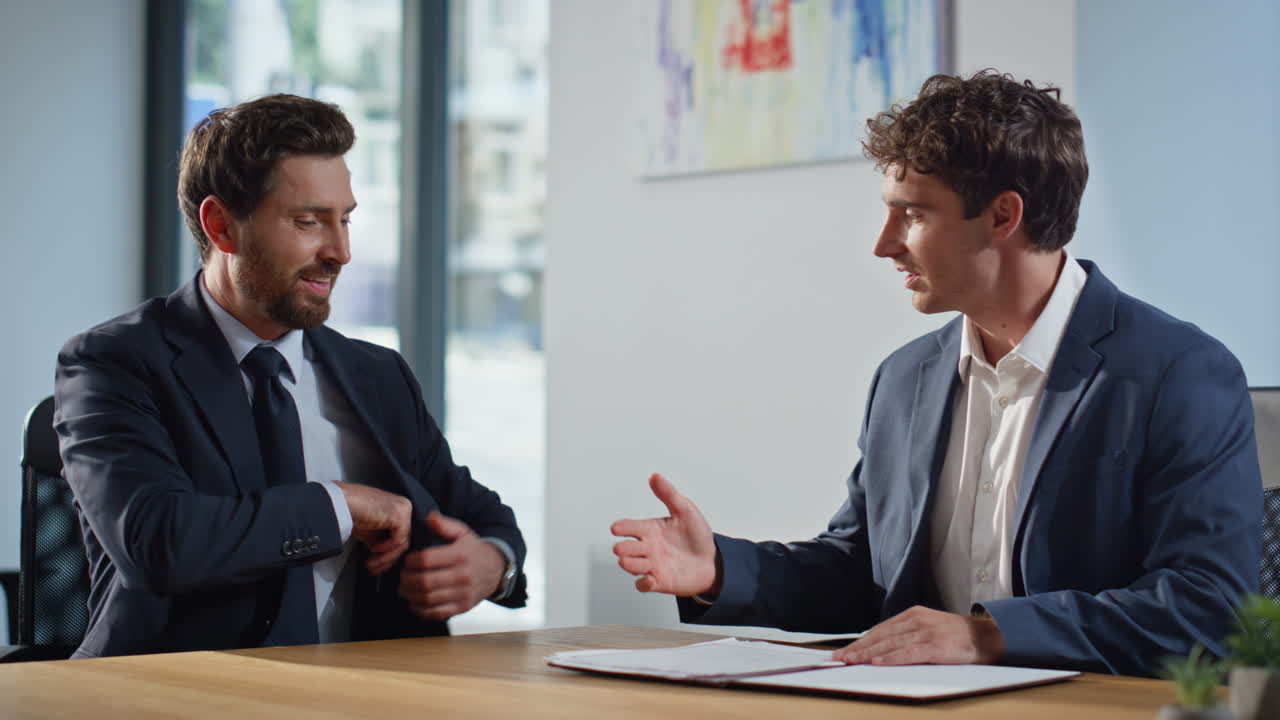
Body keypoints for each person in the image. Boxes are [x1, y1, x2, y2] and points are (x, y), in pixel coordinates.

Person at [610, 70, 1261, 676]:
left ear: (1004, 216)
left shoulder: (1177, 374)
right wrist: (721, 570)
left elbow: (1209, 607)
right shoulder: (905, 379)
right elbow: (861, 574)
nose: (883, 242)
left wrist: (984, 635)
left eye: (913, 213)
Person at [55, 94, 526, 658]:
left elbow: (481, 515)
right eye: (309, 221)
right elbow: (158, 541)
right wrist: (339, 506)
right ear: (221, 225)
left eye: (345, 219)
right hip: (178, 697)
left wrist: (491, 564)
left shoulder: (376, 375)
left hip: (372, 696)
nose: (341, 251)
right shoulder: (114, 361)